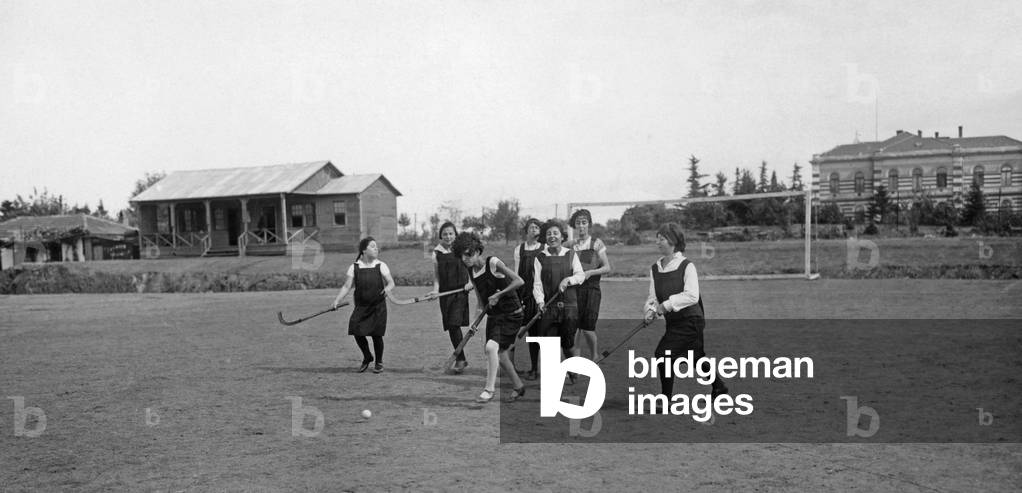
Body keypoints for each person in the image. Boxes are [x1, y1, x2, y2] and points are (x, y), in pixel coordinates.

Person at [644, 223, 728, 405]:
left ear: (673, 241)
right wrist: (650, 310)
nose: (657, 242)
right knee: (695, 357)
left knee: (663, 353)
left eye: (662, 238)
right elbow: (653, 296)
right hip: (674, 322)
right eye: (657, 238)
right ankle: (719, 387)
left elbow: (692, 295)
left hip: (692, 320)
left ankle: (665, 400)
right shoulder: (655, 268)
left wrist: (666, 305)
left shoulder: (687, 266)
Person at [451, 232, 527, 403]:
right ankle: (518, 386)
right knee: (500, 353)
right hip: (494, 316)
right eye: (461, 255)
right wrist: (474, 323)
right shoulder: (470, 270)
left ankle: (489, 389)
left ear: (477, 251)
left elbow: (519, 281)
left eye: (468, 254)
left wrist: (500, 295)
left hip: (511, 314)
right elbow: (480, 300)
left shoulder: (492, 262)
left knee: (491, 348)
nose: (465, 258)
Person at [533, 220, 586, 384]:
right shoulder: (540, 257)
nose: (552, 236)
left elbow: (580, 276)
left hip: (570, 307)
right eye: (548, 234)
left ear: (562, 236)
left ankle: (571, 368)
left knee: (567, 344)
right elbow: (537, 284)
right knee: (550, 344)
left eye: (555, 233)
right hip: (549, 308)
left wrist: (568, 280)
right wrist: (540, 302)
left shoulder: (571, 254)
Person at [332, 237, 395, 373]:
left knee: (376, 335)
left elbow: (391, 282)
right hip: (361, 307)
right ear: (364, 250)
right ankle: (367, 356)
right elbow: (346, 286)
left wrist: (387, 289)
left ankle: (379, 362)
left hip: (378, 307)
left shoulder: (381, 265)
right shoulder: (354, 267)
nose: (376, 249)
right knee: (355, 329)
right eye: (372, 246)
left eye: (376, 246)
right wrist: (337, 300)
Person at [426, 221, 471, 373]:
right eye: (445, 234)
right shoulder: (436, 253)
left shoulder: (462, 250)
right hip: (445, 295)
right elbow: (437, 276)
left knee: (454, 324)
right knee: (452, 328)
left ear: (455, 234)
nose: (448, 236)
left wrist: (470, 283)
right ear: (440, 236)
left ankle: (460, 359)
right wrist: (435, 291)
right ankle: (462, 359)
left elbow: (471, 268)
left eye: (451, 233)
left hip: (460, 293)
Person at [568, 209, 611, 361]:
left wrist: (590, 273)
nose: (581, 226)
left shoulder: (597, 243)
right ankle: (575, 363)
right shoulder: (569, 245)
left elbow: (607, 267)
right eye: (578, 223)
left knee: (587, 328)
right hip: (574, 291)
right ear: (574, 226)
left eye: (584, 222)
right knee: (574, 330)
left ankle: (594, 356)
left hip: (592, 289)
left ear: (589, 225)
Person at [513, 218, 543, 380]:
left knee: (535, 333)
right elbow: (517, 274)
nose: (534, 230)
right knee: (514, 330)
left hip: (538, 295)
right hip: (523, 295)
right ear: (527, 231)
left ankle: (534, 369)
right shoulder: (519, 249)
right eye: (531, 227)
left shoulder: (544, 249)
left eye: (537, 227)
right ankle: (509, 367)